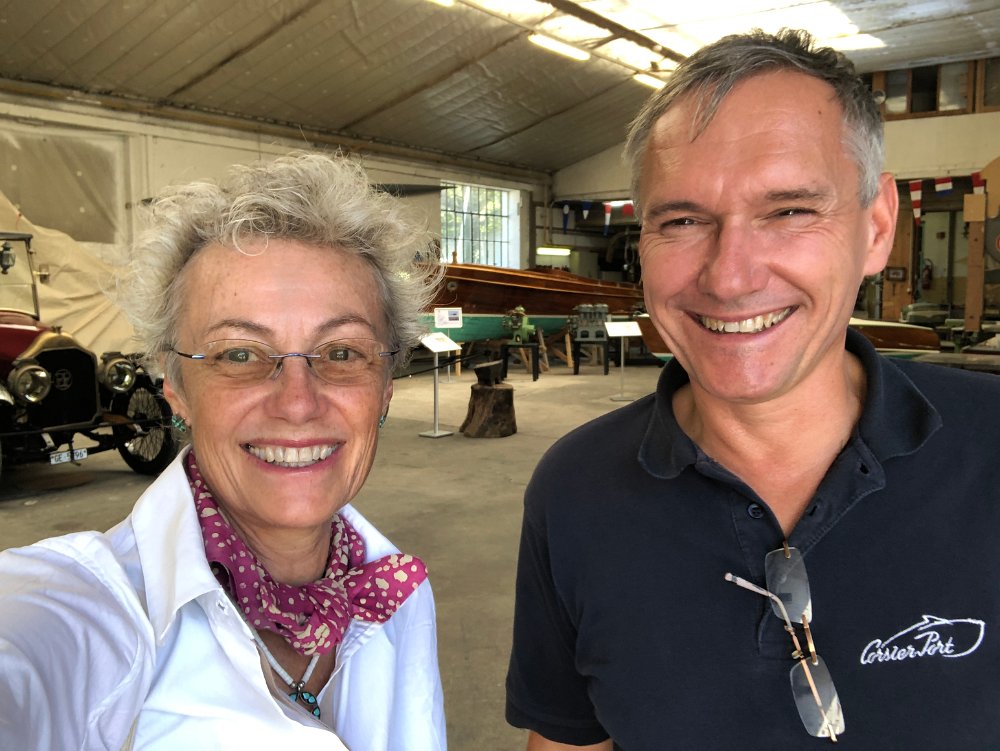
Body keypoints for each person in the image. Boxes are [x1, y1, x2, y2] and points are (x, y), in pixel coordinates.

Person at [506, 29, 1000, 750]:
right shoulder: (576, 490)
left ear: (876, 227)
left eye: (789, 211)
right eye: (682, 220)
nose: (730, 277)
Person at [0, 153, 446, 749]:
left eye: (341, 353)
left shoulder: (399, 594)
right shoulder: (84, 612)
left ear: (385, 386)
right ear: (176, 388)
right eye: (239, 354)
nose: (297, 403)